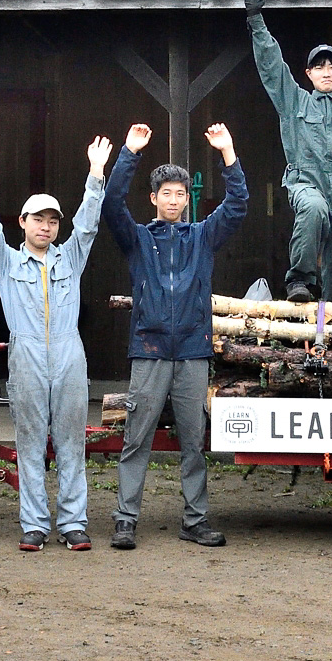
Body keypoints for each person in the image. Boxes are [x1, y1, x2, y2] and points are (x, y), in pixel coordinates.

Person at [103, 121, 249, 551]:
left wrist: (228, 152)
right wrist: (129, 153)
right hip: (148, 350)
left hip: (192, 351)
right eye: (165, 193)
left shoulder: (203, 236)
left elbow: (238, 204)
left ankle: (195, 520)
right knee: (136, 439)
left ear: (188, 200)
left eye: (180, 193)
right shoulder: (138, 239)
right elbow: (111, 205)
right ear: (153, 199)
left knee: (192, 441)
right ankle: (126, 520)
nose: (172, 199)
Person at [0, 135, 113, 552]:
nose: (46, 226)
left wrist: (95, 172)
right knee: (30, 442)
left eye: (52, 220)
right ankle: (34, 524)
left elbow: (88, 222)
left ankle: (73, 524)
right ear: (23, 222)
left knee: (71, 441)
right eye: (38, 219)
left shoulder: (71, 257)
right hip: (27, 354)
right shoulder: (6, 260)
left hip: (69, 354)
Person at [245, 0, 332, 302]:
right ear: (308, 73)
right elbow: (271, 65)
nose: (326, 71)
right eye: (319, 67)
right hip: (306, 180)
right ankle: (298, 282)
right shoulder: (294, 102)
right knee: (313, 208)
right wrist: (255, 18)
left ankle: (331, 323)